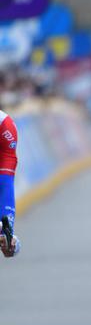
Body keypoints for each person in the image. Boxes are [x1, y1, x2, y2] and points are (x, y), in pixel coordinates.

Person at [0, 109, 20, 257]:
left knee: (4, 181)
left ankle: (8, 236)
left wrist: (8, 231)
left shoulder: (4, 123)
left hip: (5, 132)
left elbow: (5, 185)